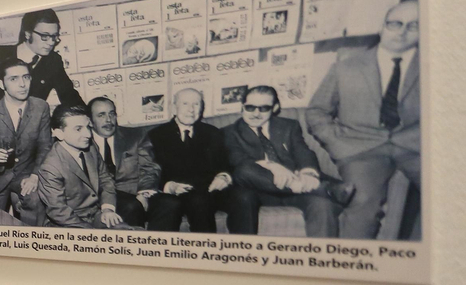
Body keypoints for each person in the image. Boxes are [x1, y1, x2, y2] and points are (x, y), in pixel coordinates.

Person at [307, 0, 421, 239]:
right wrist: (338, 144)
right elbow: (317, 111)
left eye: (413, 26)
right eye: (395, 24)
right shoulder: (345, 67)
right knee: (362, 205)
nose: (402, 32)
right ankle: (352, 268)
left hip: (417, 148)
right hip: (361, 150)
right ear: (382, 26)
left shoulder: (435, 65)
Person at [223, 85, 352, 237]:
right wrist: (273, 167)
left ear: (275, 108)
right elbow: (237, 159)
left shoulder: (289, 126)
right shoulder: (229, 132)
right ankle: (321, 188)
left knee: (323, 205)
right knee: (243, 170)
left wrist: (308, 172)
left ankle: (320, 258)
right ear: (242, 107)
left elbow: (303, 152)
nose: (256, 113)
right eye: (250, 107)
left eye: (263, 108)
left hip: (296, 191)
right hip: (259, 190)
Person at [144, 88, 232, 232]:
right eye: (185, 104)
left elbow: (226, 163)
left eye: (196, 104)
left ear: (201, 108)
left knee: (200, 201)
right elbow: (148, 171)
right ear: (174, 108)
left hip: (206, 193)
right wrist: (168, 186)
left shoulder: (212, 133)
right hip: (174, 194)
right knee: (192, 202)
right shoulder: (156, 135)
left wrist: (224, 176)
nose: (191, 109)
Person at [0, 58, 51, 224]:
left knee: (36, 199)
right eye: (14, 79)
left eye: (26, 77)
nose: (22, 84)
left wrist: (35, 175)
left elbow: (45, 146)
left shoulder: (41, 107)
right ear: (0, 83)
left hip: (26, 175)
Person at [37, 104, 123, 229]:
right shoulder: (50, 167)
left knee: (128, 232)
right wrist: (92, 233)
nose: (88, 134)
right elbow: (58, 212)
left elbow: (105, 179)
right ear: (59, 133)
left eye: (88, 127)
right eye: (78, 129)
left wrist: (107, 209)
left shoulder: (91, 147)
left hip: (96, 213)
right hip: (70, 224)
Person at [0, 8, 85, 109]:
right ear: (28, 34)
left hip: (30, 125)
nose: (51, 42)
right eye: (45, 36)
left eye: (54, 36)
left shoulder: (53, 61)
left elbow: (70, 96)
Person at [86, 96, 159, 226]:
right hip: (103, 197)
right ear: (90, 121)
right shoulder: (83, 142)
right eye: (101, 115)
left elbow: (149, 167)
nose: (108, 120)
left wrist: (144, 193)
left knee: (171, 204)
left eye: (112, 114)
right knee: (131, 206)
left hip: (135, 190)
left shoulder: (135, 135)